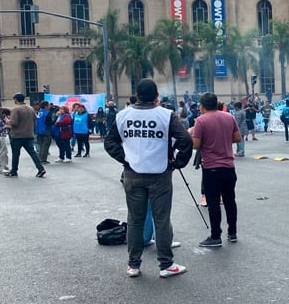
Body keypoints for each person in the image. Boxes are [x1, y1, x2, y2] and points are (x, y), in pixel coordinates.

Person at [104, 79, 193, 278]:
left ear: (136, 96)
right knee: (161, 220)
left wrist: (125, 158)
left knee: (135, 220)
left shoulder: (123, 115)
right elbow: (185, 139)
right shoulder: (165, 115)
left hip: (132, 174)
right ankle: (166, 265)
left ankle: (133, 265)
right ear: (156, 97)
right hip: (160, 174)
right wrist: (178, 162)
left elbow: (109, 142)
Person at [192, 92, 242, 247]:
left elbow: (195, 144)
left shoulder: (201, 121)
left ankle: (215, 236)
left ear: (202, 106)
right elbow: (237, 138)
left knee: (213, 203)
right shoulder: (229, 117)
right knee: (230, 201)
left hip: (211, 168)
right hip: (228, 167)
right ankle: (232, 232)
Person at [5, 93, 46, 178]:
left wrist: (7, 121)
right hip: (29, 134)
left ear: (16, 99)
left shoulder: (16, 109)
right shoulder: (30, 108)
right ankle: (40, 168)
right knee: (33, 153)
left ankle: (14, 170)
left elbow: (14, 122)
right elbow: (35, 121)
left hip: (17, 135)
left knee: (16, 154)